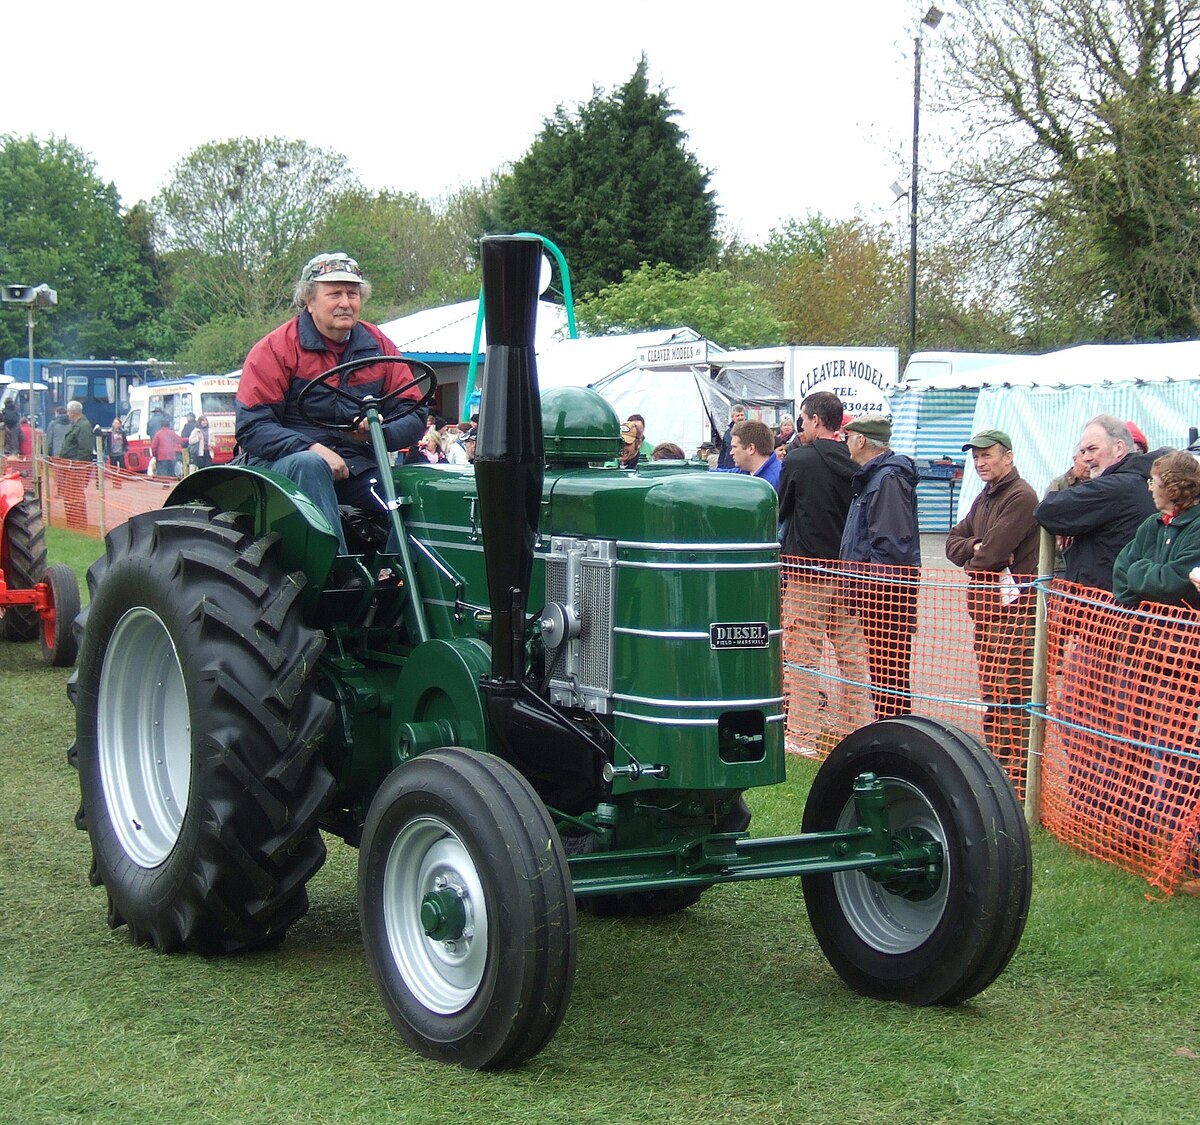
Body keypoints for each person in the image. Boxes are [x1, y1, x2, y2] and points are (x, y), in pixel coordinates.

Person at [236, 252, 427, 555]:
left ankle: (397, 576)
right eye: (334, 293)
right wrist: (310, 448)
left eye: (353, 293)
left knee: (415, 489)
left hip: (354, 464)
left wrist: (379, 430)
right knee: (310, 465)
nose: (345, 302)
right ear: (309, 300)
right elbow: (252, 427)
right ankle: (338, 573)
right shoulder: (276, 349)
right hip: (283, 465)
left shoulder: (378, 345)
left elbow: (414, 413)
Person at [945, 429, 1040, 781]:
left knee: (1013, 696)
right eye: (976, 457)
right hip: (986, 615)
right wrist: (975, 548)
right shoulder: (984, 498)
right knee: (993, 697)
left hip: (1016, 617)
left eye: (987, 455)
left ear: (1008, 456)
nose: (980, 462)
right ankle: (1000, 771)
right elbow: (954, 544)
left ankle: (1018, 777)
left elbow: (995, 554)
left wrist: (981, 553)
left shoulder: (1021, 496)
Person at [778, 391, 870, 731]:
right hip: (846, 571)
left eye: (803, 419)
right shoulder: (855, 463)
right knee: (851, 654)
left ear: (816, 420)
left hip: (806, 572)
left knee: (802, 655)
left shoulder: (799, 461)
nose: (801, 425)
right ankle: (857, 725)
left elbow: (782, 508)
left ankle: (803, 729)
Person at [839, 415, 921, 720]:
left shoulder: (888, 479)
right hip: (876, 596)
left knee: (890, 677)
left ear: (861, 440)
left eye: (849, 436)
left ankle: (895, 732)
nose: (846, 443)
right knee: (884, 675)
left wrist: (867, 592)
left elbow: (891, 547)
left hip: (885, 599)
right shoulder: (876, 477)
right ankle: (889, 730)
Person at [1033, 414, 1158, 592]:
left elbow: (1047, 511)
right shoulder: (1141, 480)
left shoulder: (1116, 486)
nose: (1086, 458)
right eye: (1083, 451)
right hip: (1117, 601)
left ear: (1119, 448)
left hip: (1107, 605)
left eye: (1092, 449)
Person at [1113, 451, 1200, 610]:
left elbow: (1172, 585)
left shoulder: (1197, 526)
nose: (1150, 488)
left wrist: (1136, 572)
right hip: (1147, 629)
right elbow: (1120, 575)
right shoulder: (1153, 524)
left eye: (1153, 481)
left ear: (1172, 487)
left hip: (1185, 632)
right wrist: (1148, 590)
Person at [58, 400, 95, 530]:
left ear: (73, 412)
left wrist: (77, 466)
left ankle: (78, 522)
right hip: (70, 467)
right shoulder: (78, 425)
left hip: (76, 468)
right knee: (70, 495)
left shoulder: (84, 426)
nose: (67, 414)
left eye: (68, 412)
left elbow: (85, 449)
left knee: (76, 496)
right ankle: (73, 522)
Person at [720, 419, 782, 493]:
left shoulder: (777, 479)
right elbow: (718, 475)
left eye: (734, 447)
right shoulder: (744, 471)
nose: (731, 452)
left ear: (751, 448)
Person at [717, 403, 746, 469]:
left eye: (742, 415)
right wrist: (720, 469)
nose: (740, 418)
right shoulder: (727, 433)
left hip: (744, 470)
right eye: (738, 416)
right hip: (729, 470)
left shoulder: (750, 431)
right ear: (732, 418)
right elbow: (723, 454)